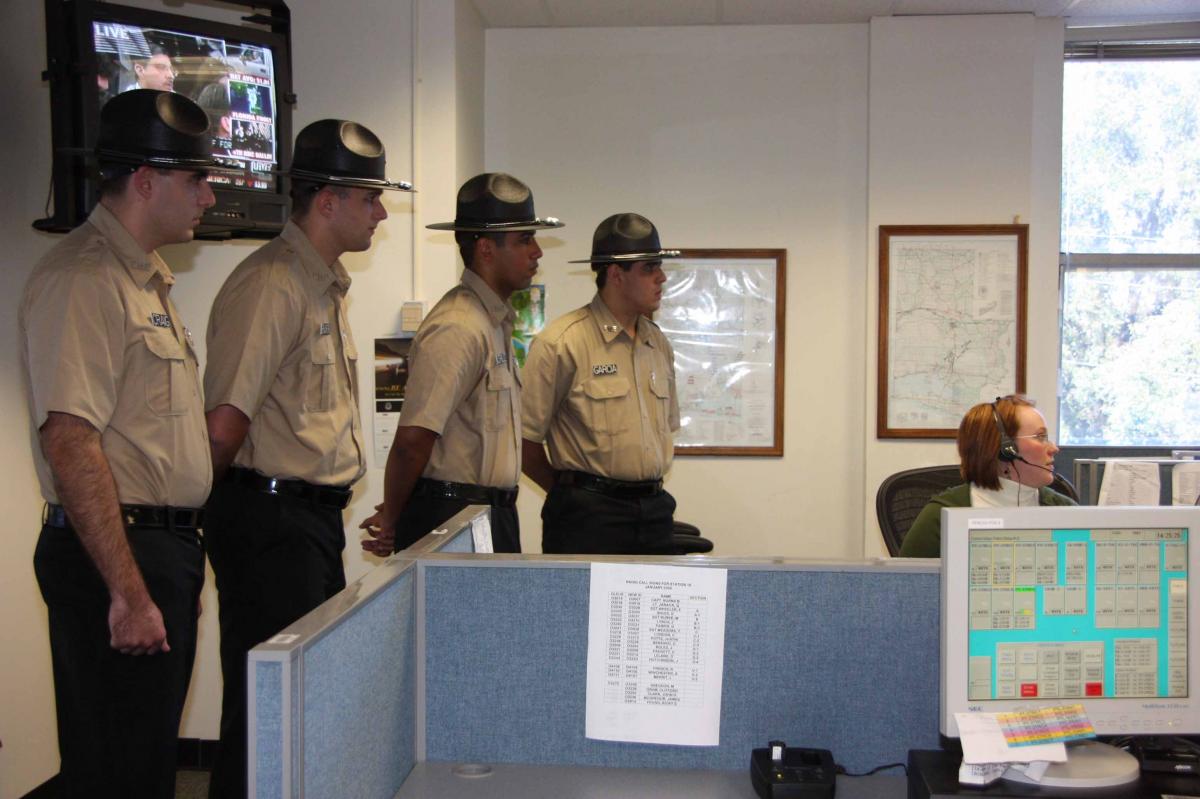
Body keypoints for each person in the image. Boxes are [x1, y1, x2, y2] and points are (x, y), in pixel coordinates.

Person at [202, 119, 411, 799]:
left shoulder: (320, 284)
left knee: (301, 702)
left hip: (305, 521)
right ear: (326, 200)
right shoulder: (272, 284)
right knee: (267, 708)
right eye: (370, 199)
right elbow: (224, 423)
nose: (381, 213)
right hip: (268, 521)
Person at [20, 89, 216, 798]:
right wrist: (129, 591)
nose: (209, 195)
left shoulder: (144, 279)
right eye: (195, 178)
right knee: (116, 771)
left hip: (154, 550)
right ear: (145, 181)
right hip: (113, 552)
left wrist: (170, 567)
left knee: (145, 765)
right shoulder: (84, 277)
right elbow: (70, 441)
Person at [360, 173, 561, 555]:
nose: (536, 251)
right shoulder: (459, 326)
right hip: (455, 516)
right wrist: (394, 520)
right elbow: (413, 441)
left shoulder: (492, 322)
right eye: (524, 239)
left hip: (487, 514)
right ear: (486, 249)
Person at [521, 213, 682, 554]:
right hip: (588, 516)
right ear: (616, 275)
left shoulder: (657, 343)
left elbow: (666, 429)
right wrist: (569, 494)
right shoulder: (562, 342)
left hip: (654, 511)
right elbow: (523, 440)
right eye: (649, 268)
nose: (662, 277)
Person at [898, 395, 1076, 558]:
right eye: (1040, 437)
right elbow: (907, 582)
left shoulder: (1066, 511)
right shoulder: (942, 516)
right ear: (1005, 450)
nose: (1054, 448)